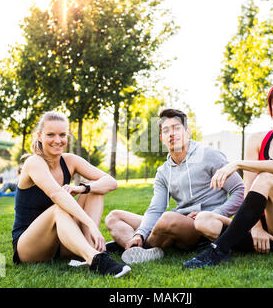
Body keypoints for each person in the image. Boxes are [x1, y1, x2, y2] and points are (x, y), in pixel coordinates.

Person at [183, 78, 273, 269]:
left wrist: (237, 163)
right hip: (256, 219)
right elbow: (249, 187)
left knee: (266, 176)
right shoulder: (256, 140)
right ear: (271, 107)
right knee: (203, 221)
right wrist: (256, 227)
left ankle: (219, 250)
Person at [105, 108, 245, 264]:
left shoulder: (209, 155)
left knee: (167, 218)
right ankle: (136, 246)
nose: (171, 134)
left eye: (177, 128)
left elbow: (239, 190)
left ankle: (136, 246)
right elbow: (156, 208)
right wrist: (140, 233)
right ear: (161, 138)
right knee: (114, 217)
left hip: (201, 227)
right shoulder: (163, 171)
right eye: (166, 130)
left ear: (187, 132)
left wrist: (216, 214)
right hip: (178, 221)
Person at [11, 111, 130, 278]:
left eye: (62, 135)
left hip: (60, 243)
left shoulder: (70, 161)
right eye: (50, 135)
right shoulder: (34, 162)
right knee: (58, 209)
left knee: (94, 189)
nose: (57, 140)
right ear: (39, 136)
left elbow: (111, 182)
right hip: (29, 247)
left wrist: (83, 188)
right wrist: (91, 224)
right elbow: (56, 194)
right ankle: (96, 259)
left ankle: (87, 247)